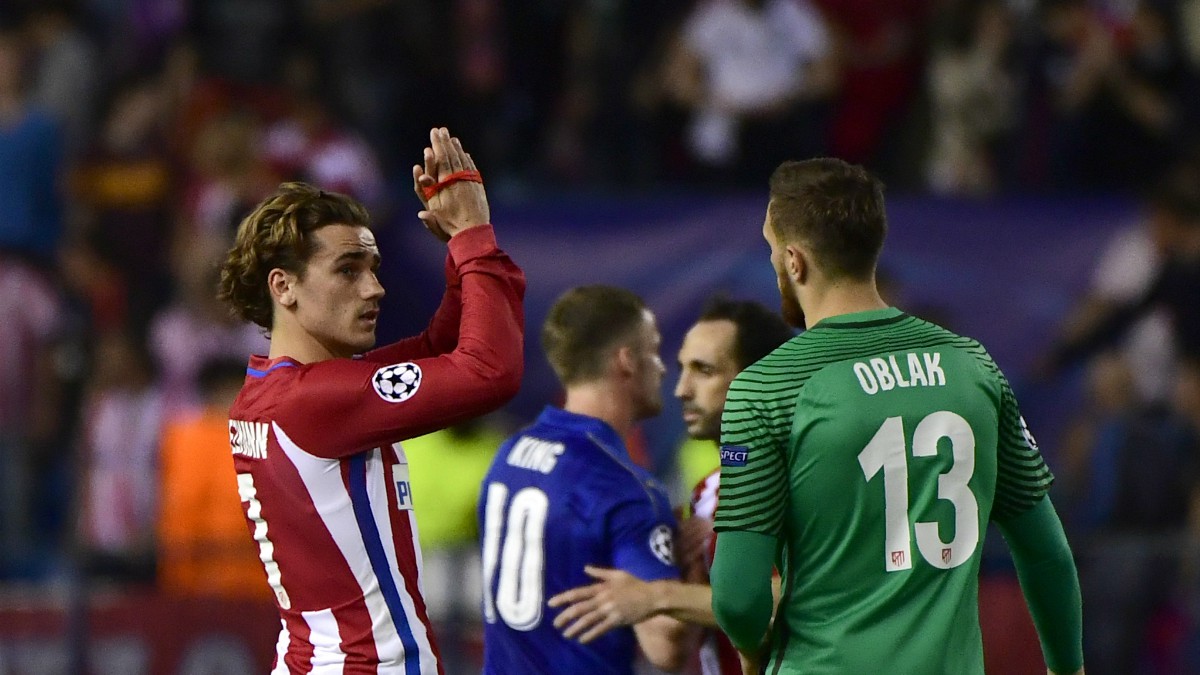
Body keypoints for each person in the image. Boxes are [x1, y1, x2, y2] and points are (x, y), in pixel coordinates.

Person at [709, 158, 1085, 674]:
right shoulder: (972, 365)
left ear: (794, 262)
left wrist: (753, 652)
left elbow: (737, 597)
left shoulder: (767, 388)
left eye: (772, 249)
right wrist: (1069, 669)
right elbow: (1047, 554)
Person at [217, 127, 524, 674]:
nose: (374, 289)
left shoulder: (277, 390)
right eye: (347, 271)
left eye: (373, 269)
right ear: (283, 287)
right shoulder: (317, 402)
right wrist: (475, 233)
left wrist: (460, 259)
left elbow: (441, 349)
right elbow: (489, 371)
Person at [547, 297, 793, 675]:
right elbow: (678, 650)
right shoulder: (706, 491)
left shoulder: (795, 484)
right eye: (681, 369)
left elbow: (795, 602)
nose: (681, 389)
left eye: (704, 370)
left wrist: (656, 595)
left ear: (758, 379)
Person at [478, 285, 691, 673]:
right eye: (654, 350)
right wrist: (692, 565)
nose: (661, 367)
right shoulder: (622, 487)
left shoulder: (510, 453)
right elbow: (666, 645)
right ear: (626, 360)